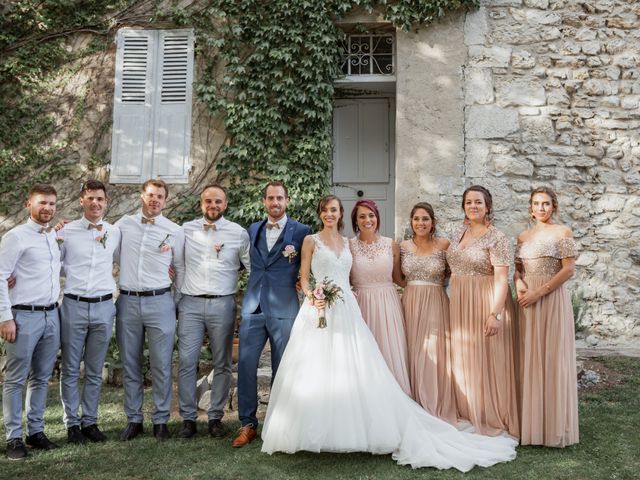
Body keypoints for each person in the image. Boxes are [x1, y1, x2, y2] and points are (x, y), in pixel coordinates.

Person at [260, 195, 518, 471]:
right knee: (318, 366)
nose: (330, 214)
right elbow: (304, 276)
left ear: (342, 214)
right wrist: (313, 295)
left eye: (334, 210)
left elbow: (403, 276)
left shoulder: (383, 245)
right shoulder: (325, 242)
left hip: (356, 306)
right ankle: (312, 427)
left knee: (366, 365)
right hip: (326, 307)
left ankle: (374, 421)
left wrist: (431, 287)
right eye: (326, 210)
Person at [233, 181, 311, 447]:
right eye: (270, 198)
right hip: (253, 306)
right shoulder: (252, 229)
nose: (275, 202)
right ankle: (247, 423)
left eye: (279, 198)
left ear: (287, 200)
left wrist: (306, 282)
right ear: (264, 201)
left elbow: (310, 264)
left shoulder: (302, 232)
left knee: (284, 366)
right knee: (245, 364)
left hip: (285, 307)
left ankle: (280, 422)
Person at [173, 184, 251, 439]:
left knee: (223, 363)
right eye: (208, 201)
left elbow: (252, 267)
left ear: (225, 204)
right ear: (201, 203)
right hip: (190, 304)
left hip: (223, 303)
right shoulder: (184, 231)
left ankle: (215, 417)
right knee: (186, 362)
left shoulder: (238, 233)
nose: (213, 205)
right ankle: (188, 418)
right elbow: (170, 259)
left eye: (218, 201)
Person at [446, 185, 519, 438]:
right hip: (460, 301)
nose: (473, 206)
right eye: (468, 202)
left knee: (488, 359)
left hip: (486, 300)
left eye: (478, 202)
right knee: (464, 357)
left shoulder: (496, 237)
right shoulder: (457, 233)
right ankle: (468, 409)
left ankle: (491, 412)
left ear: (488, 206)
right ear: (463, 206)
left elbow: (502, 279)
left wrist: (495, 314)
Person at [115, 179, 180, 441]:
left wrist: (176, 301)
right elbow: (105, 252)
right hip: (128, 300)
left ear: (165, 200)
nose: (155, 200)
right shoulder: (122, 225)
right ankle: (133, 419)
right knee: (130, 363)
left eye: (160, 196)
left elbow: (181, 267)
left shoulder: (174, 231)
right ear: (142, 196)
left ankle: (161, 420)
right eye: (150, 195)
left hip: (161, 301)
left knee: (161, 364)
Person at [0, 184, 61, 460]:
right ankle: (13, 437)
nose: (47, 208)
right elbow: (1, 276)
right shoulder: (15, 237)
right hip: (23, 316)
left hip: (52, 315)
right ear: (29, 205)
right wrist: (5, 317)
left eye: (51, 203)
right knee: (15, 379)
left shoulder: (52, 236)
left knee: (41, 377)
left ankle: (35, 432)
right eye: (41, 203)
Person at [515, 187, 579, 447]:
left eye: (546, 203)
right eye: (536, 203)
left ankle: (553, 427)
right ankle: (531, 425)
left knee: (552, 358)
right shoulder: (523, 235)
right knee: (529, 356)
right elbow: (517, 270)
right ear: (530, 208)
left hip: (551, 299)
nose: (541, 208)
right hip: (526, 300)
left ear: (554, 206)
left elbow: (569, 269)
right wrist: (519, 283)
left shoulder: (562, 232)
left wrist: (539, 292)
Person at [58, 180, 120, 444]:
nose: (96, 203)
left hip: (105, 306)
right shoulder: (65, 232)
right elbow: (50, 264)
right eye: (90, 198)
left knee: (95, 369)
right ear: (81, 201)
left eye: (100, 199)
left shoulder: (115, 232)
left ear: (106, 203)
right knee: (71, 368)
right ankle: (72, 424)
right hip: (73, 305)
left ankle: (90, 422)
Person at [399, 202, 457, 424]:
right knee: (413, 349)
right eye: (416, 219)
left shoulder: (444, 245)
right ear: (411, 222)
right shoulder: (403, 246)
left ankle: (434, 404)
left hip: (435, 300)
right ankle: (414, 402)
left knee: (435, 350)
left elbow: (453, 273)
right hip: (411, 301)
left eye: (425, 219)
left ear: (432, 222)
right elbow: (397, 276)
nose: (420, 223)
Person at [349, 199, 410, 395]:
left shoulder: (391, 245)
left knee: (389, 353)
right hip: (361, 306)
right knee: (365, 355)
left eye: (371, 215)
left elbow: (399, 279)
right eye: (362, 216)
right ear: (355, 221)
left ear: (377, 218)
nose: (368, 220)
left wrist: (428, 281)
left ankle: (394, 398)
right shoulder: (348, 246)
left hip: (388, 306)